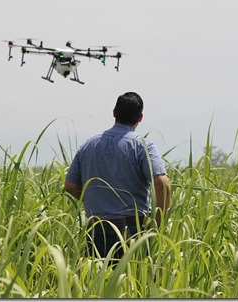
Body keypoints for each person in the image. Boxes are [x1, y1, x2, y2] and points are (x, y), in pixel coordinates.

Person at [64, 92, 171, 261]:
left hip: (96, 228)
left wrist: (96, 199)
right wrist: (157, 223)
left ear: (114, 112)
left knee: (97, 283)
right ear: (140, 117)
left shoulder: (88, 145)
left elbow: (70, 186)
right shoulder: (143, 146)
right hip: (132, 229)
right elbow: (162, 183)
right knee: (132, 283)